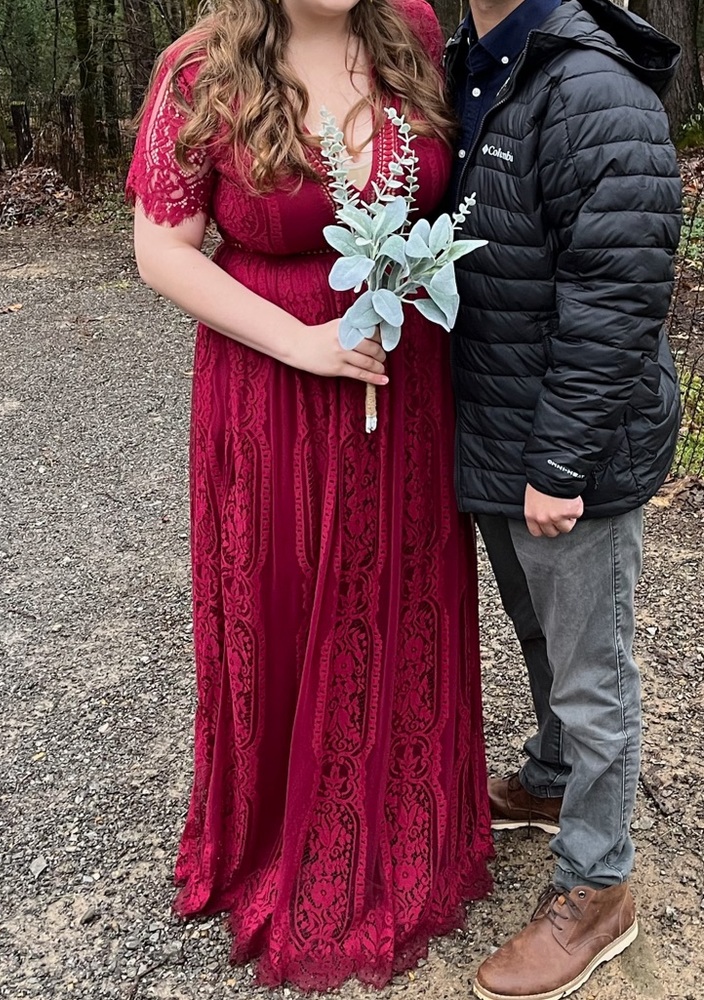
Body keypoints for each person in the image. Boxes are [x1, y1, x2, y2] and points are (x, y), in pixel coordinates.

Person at [126, 0, 493, 990]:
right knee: (278, 603)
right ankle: (277, 837)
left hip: (399, 385)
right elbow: (160, 248)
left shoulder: (413, 31)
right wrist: (301, 344)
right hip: (268, 389)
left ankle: (403, 824)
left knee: (395, 602)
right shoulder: (199, 70)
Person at [444, 1, 683, 998]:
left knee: (592, 670)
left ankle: (598, 885)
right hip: (501, 429)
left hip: (564, 450)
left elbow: (618, 291)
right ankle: (550, 779)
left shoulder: (592, 86)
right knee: (541, 634)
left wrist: (560, 462)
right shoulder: (467, 60)